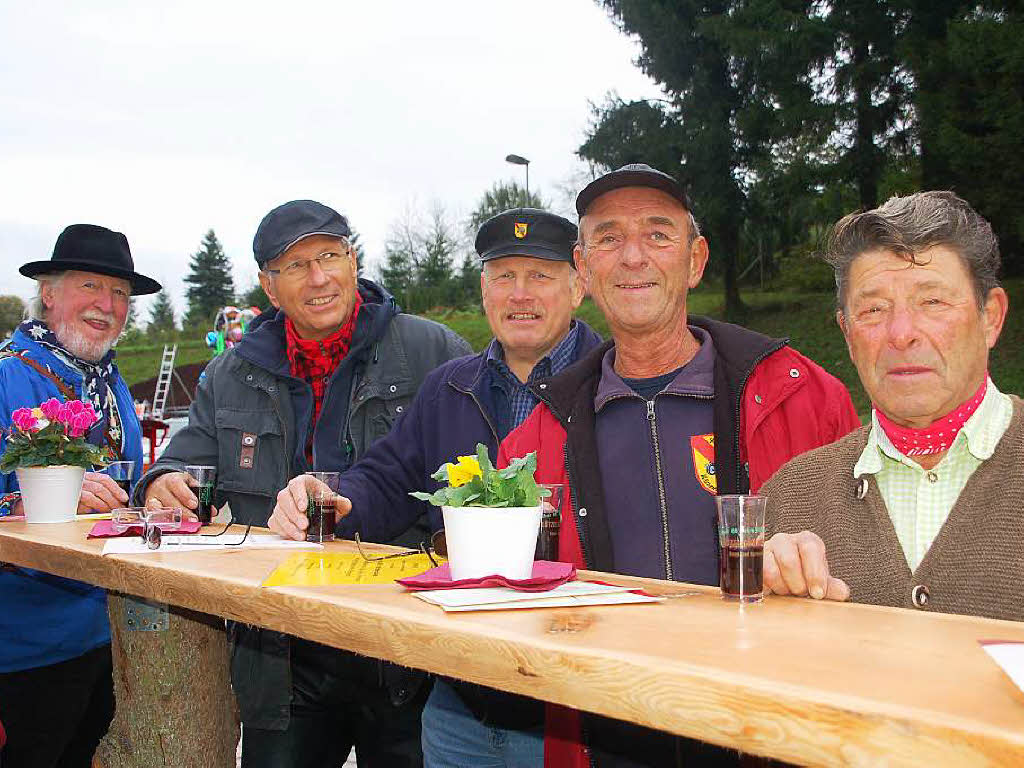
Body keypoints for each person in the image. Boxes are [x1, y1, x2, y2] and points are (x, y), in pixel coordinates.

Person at [498, 164, 860, 767]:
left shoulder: (802, 396)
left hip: (772, 733)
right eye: (609, 238)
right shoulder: (533, 442)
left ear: (695, 260)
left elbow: (865, 567)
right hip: (605, 737)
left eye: (658, 234)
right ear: (584, 271)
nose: (633, 256)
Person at [135, 199, 471, 768]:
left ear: (354, 262)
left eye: (330, 256)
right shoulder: (230, 372)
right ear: (269, 287)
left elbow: (472, 488)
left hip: (405, 647)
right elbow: (180, 460)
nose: (319, 278)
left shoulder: (433, 352)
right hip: (281, 657)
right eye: (295, 266)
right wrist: (161, 483)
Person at [269, 208, 603, 768]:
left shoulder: (612, 386)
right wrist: (337, 501)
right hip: (458, 703)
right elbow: (387, 477)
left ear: (579, 284)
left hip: (578, 705)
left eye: (540, 275)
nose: (520, 294)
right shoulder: (447, 388)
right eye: (503, 276)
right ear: (483, 289)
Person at [761, 191, 1018, 620]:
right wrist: (767, 607)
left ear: (990, 317)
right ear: (847, 332)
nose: (901, 334)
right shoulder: (787, 500)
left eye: (932, 302)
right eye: (873, 309)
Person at [0, 224, 159, 768]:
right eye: (91, 286)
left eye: (119, 294)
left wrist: (154, 490)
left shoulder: (107, 383)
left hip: (99, 635)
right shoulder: (7, 375)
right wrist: (22, 504)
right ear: (49, 292)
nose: (108, 305)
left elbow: (125, 482)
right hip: (20, 647)